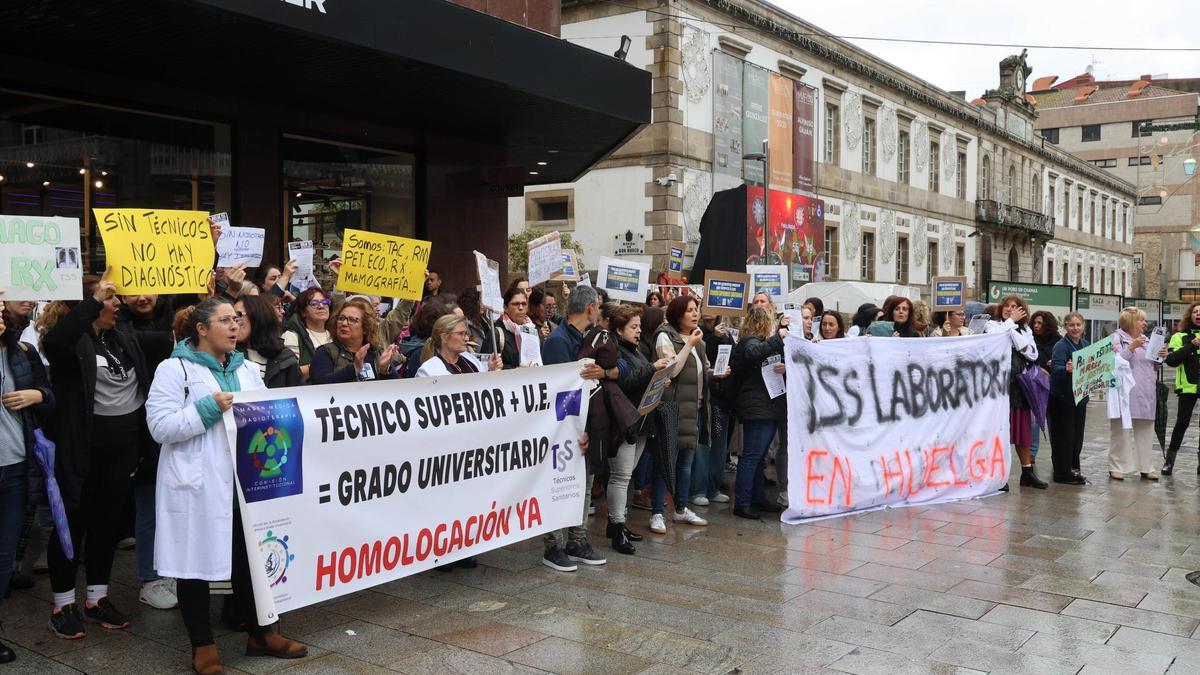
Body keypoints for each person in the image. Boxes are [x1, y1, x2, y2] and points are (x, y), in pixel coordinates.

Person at [146, 298, 308, 674]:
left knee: (253, 563)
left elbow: (265, 416)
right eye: (224, 320)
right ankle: (202, 645)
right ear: (202, 329)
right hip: (198, 485)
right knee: (193, 564)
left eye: (236, 319)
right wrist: (208, 408)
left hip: (245, 483)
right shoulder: (174, 369)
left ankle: (262, 633)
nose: (234, 326)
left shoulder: (247, 369)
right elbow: (160, 427)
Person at [41, 270, 154, 638]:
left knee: (107, 524)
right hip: (82, 451)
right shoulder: (70, 344)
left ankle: (96, 598)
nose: (117, 303)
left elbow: (171, 332)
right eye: (109, 298)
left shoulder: (123, 338)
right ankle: (63, 605)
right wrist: (92, 300)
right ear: (87, 305)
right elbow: (57, 341)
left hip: (123, 451)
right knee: (72, 525)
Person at [0, 305, 55, 664]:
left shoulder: (22, 351)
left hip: (15, 466)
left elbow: (51, 396)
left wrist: (37, 396)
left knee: (4, 557)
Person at [539, 285, 607, 571]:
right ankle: (553, 546)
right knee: (558, 486)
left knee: (582, 485)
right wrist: (578, 428)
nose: (600, 311)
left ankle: (577, 541)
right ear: (590, 308)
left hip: (582, 423)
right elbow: (563, 390)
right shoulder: (558, 341)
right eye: (598, 306)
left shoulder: (586, 337)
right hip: (564, 427)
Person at [650, 295, 720, 534]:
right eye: (689, 310)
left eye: (696, 309)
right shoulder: (665, 336)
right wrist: (688, 344)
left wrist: (716, 373)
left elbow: (700, 371)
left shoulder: (698, 339)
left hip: (693, 409)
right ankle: (657, 512)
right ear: (677, 313)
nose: (695, 314)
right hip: (671, 409)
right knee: (666, 463)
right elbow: (672, 371)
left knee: (685, 464)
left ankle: (681, 508)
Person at [608, 304, 668, 555]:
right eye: (633, 327)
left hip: (641, 422)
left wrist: (659, 379)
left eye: (639, 327)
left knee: (627, 475)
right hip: (625, 422)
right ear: (619, 330)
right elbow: (626, 379)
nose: (638, 331)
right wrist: (653, 368)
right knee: (621, 477)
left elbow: (642, 377)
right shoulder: (615, 351)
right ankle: (616, 526)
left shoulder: (637, 350)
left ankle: (618, 523)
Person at [731, 306, 786, 519]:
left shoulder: (757, 342)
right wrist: (778, 337)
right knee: (752, 456)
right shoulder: (749, 341)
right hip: (757, 406)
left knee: (758, 456)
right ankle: (742, 502)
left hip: (764, 405)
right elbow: (753, 353)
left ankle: (757, 497)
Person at [985, 294, 1045, 489]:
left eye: (1014, 306)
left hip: (1019, 385)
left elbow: (1032, 353)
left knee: (1022, 431)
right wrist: (1010, 323)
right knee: (999, 430)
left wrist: (1013, 329)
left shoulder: (1025, 329)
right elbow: (994, 338)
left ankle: (1027, 472)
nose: (1009, 309)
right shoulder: (992, 325)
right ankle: (998, 475)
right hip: (998, 385)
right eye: (1007, 306)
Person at [1109, 308, 1167, 481]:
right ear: (1131, 321)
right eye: (1141, 320)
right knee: (1121, 432)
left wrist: (1161, 357)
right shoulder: (1117, 338)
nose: (1145, 323)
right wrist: (1131, 348)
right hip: (1125, 392)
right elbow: (1115, 363)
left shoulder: (1148, 340)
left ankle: (1146, 466)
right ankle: (1117, 466)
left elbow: (1153, 365)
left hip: (1146, 391)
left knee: (1145, 431)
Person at [691, 316, 734, 506]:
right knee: (703, 447)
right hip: (706, 399)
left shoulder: (728, 330)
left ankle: (713, 488)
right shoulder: (697, 333)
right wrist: (714, 338)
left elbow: (733, 356)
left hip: (723, 399)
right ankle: (698, 490)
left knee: (719, 447)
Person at [310, 297, 398, 383]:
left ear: (365, 327)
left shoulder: (376, 352)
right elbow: (319, 384)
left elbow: (397, 389)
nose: (344, 323)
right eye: (341, 318)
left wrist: (384, 370)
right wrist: (354, 369)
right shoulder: (325, 352)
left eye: (352, 320)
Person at [1048, 312, 1089, 485]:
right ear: (1065, 327)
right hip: (1062, 398)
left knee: (1077, 437)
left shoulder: (1086, 344)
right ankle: (1062, 473)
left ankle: (1073, 469)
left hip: (1080, 398)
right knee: (1064, 438)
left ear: (1083, 326)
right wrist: (1066, 369)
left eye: (1078, 324)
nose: (1075, 328)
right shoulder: (1061, 346)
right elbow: (1055, 370)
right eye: (1071, 325)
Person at [1162, 303, 1200, 475]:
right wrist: (1191, 345)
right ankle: (1169, 461)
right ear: (1190, 315)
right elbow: (1172, 360)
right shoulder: (1179, 336)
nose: (1198, 314)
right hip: (1187, 387)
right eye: (1195, 311)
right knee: (1182, 422)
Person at [235, 295, 303, 389]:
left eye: (238, 315)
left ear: (258, 316)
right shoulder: (228, 356)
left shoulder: (285, 357)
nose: (234, 323)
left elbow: (299, 394)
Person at [281, 287, 332, 381]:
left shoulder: (336, 334)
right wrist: (320, 365)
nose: (321, 306)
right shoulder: (292, 336)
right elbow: (290, 373)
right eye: (314, 303)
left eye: (325, 302)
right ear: (303, 312)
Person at [1029, 311, 1060, 459]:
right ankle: (1031, 453)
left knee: (1053, 421)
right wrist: (1038, 368)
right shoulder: (1029, 338)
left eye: (1040, 323)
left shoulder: (1058, 341)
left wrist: (1055, 364)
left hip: (1053, 386)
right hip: (1035, 384)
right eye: (1034, 322)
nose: (1036, 326)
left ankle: (1058, 454)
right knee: (1034, 421)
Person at [495, 288, 534, 369]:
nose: (521, 308)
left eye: (524, 304)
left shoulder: (531, 329)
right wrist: (516, 369)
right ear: (505, 307)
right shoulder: (496, 334)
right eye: (516, 304)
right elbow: (485, 367)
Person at [458, 288, 498, 356]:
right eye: (481, 300)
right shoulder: (466, 323)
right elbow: (469, 349)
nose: (484, 303)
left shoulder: (485, 319)